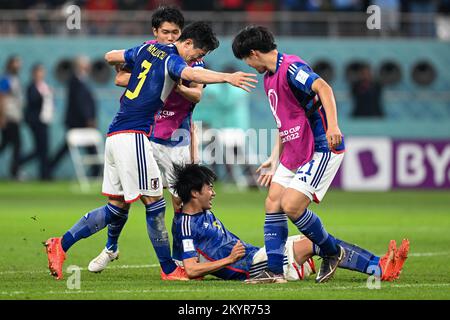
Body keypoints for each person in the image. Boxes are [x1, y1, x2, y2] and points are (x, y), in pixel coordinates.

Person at [44, 21, 257, 280]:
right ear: (187, 43)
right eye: (198, 54)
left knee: (117, 206)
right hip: (136, 135)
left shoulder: (147, 49)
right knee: (155, 202)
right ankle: (169, 269)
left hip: (116, 133)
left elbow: (113, 57)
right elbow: (191, 76)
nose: (197, 59)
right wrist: (227, 77)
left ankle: (62, 244)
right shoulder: (172, 59)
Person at [88, 6, 205, 280]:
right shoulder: (147, 51)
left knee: (181, 202)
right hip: (146, 134)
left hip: (177, 137)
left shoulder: (190, 59)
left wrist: (173, 80)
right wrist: (162, 75)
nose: (170, 37)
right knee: (127, 200)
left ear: (183, 36)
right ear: (155, 32)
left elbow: (196, 95)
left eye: (176, 33)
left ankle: (181, 258)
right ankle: (110, 247)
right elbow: (119, 77)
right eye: (165, 32)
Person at [232, 26, 346, 284]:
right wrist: (274, 158)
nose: (249, 66)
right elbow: (284, 122)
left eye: (247, 60)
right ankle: (275, 272)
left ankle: (331, 251)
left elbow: (324, 88)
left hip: (320, 146)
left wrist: (334, 126)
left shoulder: (291, 68)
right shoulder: (269, 77)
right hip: (294, 148)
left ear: (253, 53)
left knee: (291, 206)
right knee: (273, 201)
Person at [171, 164, 410, 282]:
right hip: (250, 268)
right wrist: (229, 260)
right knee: (310, 243)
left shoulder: (201, 213)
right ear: (194, 193)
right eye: (209, 187)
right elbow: (191, 269)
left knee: (316, 240)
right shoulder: (186, 224)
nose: (213, 192)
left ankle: (378, 264)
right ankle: (379, 269)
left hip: (254, 255)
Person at [50, 55, 99, 178]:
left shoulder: (82, 80)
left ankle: (48, 168)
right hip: (78, 122)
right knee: (89, 148)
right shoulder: (74, 81)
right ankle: (95, 172)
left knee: (69, 148)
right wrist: (89, 118)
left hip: (79, 122)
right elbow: (80, 103)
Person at [20, 64, 54, 180]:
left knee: (43, 148)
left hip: (44, 120)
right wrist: (43, 95)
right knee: (40, 148)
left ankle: (44, 174)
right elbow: (32, 102)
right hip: (36, 121)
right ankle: (19, 162)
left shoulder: (44, 86)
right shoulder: (31, 87)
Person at [0, 55, 24, 179]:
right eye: (16, 63)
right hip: (9, 117)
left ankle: (14, 170)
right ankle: (15, 172)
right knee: (17, 144)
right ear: (10, 64)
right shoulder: (6, 79)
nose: (18, 66)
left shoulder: (15, 79)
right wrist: (2, 116)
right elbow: (2, 97)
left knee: (8, 144)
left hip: (15, 116)